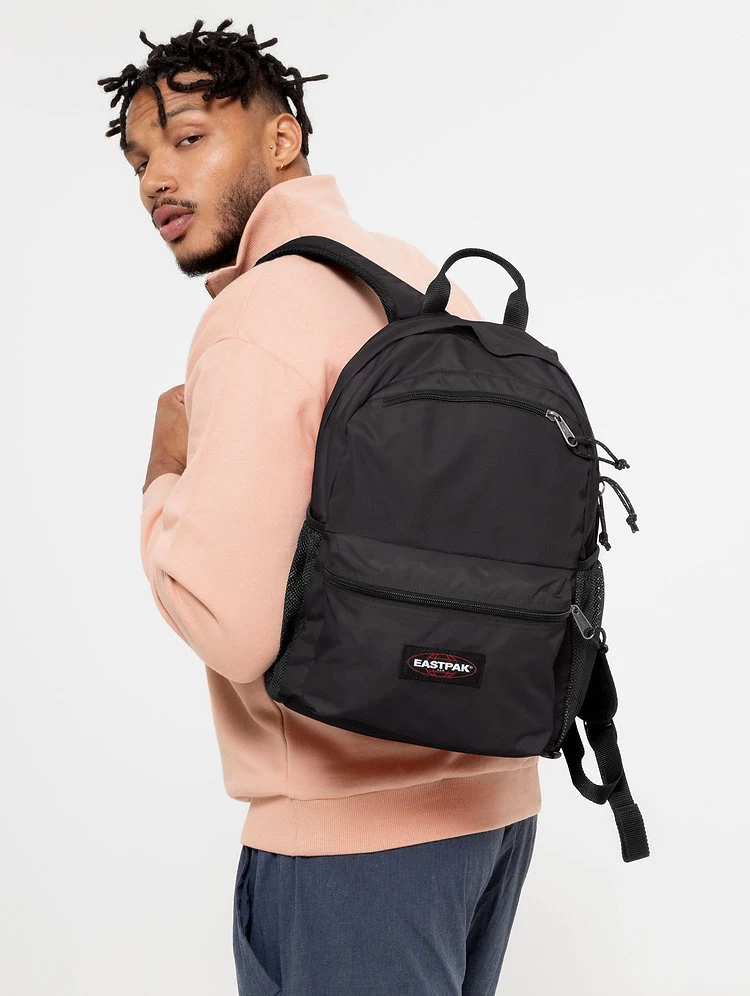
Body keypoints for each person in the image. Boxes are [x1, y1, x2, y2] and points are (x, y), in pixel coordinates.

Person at [98, 19, 539, 995]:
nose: (156, 179)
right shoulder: (422, 280)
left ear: (282, 137)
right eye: (138, 160)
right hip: (496, 811)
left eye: (188, 138)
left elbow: (232, 625)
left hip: (350, 849)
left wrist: (162, 477)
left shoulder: (256, 315)